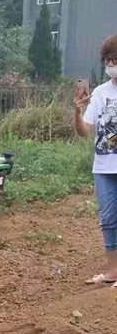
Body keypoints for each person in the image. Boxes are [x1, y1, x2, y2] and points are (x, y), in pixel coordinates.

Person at [75, 35, 117, 285]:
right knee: (109, 219)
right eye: (107, 60)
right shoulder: (100, 93)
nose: (111, 64)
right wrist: (77, 111)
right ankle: (113, 271)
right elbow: (84, 130)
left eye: (115, 59)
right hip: (103, 167)